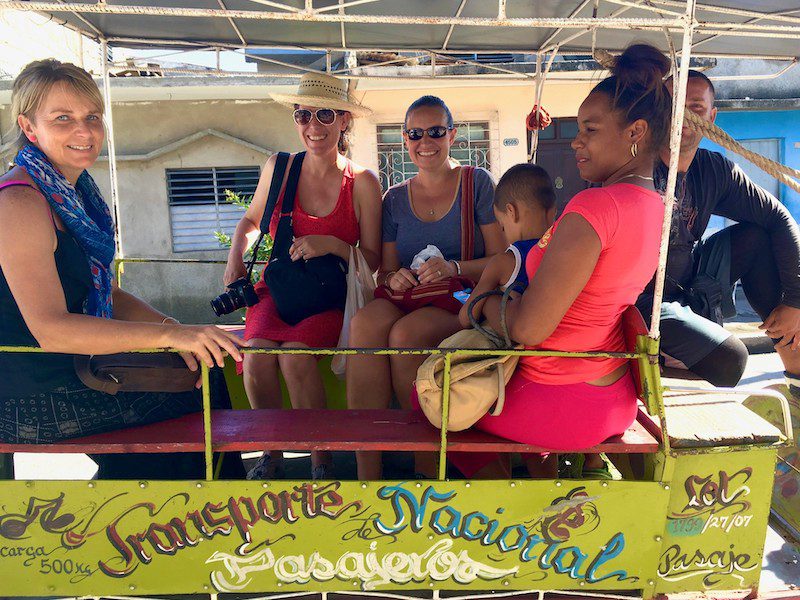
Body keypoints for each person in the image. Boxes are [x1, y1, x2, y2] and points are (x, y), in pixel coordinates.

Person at [0, 59, 246, 479]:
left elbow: (108, 295)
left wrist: (177, 330)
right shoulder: (19, 202)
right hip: (26, 393)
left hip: (74, 369)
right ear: (29, 127)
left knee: (201, 367)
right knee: (190, 396)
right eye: (63, 119)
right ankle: (173, 508)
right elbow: (51, 329)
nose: (85, 132)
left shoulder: (74, 196)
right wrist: (170, 337)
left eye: (92, 117)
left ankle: (176, 503)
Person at [452, 43, 669, 480]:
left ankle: (507, 507)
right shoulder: (655, 204)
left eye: (590, 129)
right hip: (614, 398)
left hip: (561, 402)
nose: (576, 140)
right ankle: (548, 486)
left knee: (430, 397)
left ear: (636, 131)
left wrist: (483, 303)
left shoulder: (594, 207)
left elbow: (529, 329)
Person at [224, 72, 382, 481]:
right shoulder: (279, 168)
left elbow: (373, 259)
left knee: (295, 356)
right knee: (256, 354)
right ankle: (270, 452)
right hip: (277, 289)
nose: (313, 126)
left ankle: (320, 458)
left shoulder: (362, 183)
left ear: (344, 120)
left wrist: (332, 245)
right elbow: (251, 221)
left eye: (325, 115)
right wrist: (235, 257)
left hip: (330, 296)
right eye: (303, 115)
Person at [346, 95, 505, 480]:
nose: (425, 142)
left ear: (452, 134)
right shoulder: (395, 198)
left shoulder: (477, 183)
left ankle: (425, 468)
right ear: (405, 139)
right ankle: (367, 471)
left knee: (406, 334)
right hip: (412, 294)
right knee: (364, 324)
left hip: (463, 297)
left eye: (435, 131)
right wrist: (394, 277)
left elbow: (501, 259)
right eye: (415, 134)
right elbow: (386, 271)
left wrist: (454, 266)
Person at [636, 70, 800, 391]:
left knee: (758, 237)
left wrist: (795, 302)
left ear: (712, 118)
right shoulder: (633, 166)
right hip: (640, 297)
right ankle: (659, 372)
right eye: (672, 104)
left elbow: (779, 218)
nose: (682, 116)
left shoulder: (713, 170)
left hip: (689, 282)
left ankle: (796, 378)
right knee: (730, 360)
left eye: (695, 108)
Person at [458, 163, 557, 329]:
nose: (503, 231)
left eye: (501, 224)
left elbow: (466, 317)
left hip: (516, 337)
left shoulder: (504, 262)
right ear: (554, 210)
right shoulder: (564, 250)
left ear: (512, 212)